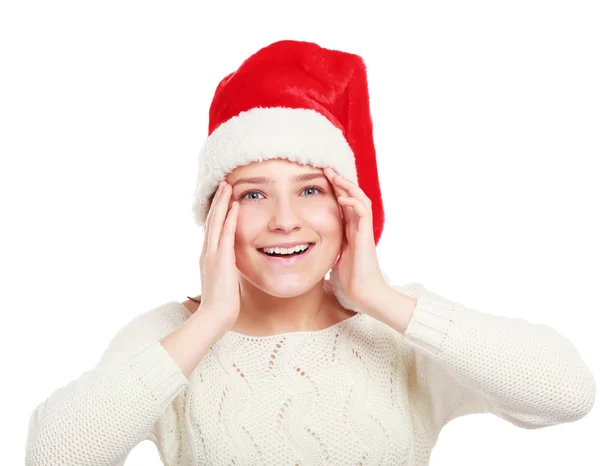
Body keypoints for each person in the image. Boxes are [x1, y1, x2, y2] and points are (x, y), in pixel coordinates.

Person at [25, 39, 595, 466]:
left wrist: (377, 296)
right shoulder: (170, 335)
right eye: (253, 194)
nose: (284, 220)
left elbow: (568, 394)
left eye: (310, 190)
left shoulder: (399, 326)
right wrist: (212, 321)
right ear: (216, 213)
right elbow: (53, 456)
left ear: (350, 207)